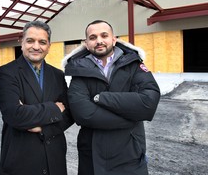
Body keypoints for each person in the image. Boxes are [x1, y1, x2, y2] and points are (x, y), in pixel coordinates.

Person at [63, 20, 160, 175]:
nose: (99, 41)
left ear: (114, 39)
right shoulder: (78, 70)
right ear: (86, 43)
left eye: (104, 35)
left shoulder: (134, 65)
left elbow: (148, 103)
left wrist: (101, 98)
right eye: (93, 37)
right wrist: (130, 118)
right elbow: (83, 114)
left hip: (130, 154)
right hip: (93, 157)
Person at [0, 21, 74, 175]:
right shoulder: (6, 73)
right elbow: (15, 115)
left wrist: (44, 128)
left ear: (49, 46)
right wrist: (55, 108)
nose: (36, 47)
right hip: (21, 160)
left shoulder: (58, 75)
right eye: (30, 41)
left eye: (42, 42)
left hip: (54, 159)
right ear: (22, 43)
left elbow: (70, 114)